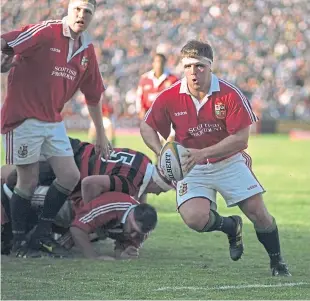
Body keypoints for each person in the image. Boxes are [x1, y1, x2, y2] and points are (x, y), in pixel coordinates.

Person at [140, 40, 291, 276]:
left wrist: (203, 153)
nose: (193, 72)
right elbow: (147, 127)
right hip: (191, 167)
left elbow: (241, 139)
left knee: (258, 213)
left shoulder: (229, 94)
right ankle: (231, 227)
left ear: (210, 66)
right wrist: (161, 152)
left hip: (229, 161)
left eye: (199, 66)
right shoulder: (170, 96)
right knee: (194, 219)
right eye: (188, 66)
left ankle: (277, 261)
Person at [0, 0, 111, 258]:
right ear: (68, 10)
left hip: (53, 121)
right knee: (28, 180)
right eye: (77, 9)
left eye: (87, 12)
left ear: (93, 16)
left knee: (70, 176)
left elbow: (93, 97)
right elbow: (6, 42)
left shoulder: (86, 50)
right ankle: (18, 244)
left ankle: (41, 233)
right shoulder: (45, 31)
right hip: (23, 118)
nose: (81, 15)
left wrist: (102, 135)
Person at [136, 53, 179, 142]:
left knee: (170, 142)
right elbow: (139, 97)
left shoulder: (172, 79)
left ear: (165, 63)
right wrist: (141, 110)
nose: (159, 64)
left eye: (161, 62)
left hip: (168, 116)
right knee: (156, 145)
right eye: (157, 62)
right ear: (153, 63)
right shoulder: (145, 79)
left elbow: (178, 98)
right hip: (152, 116)